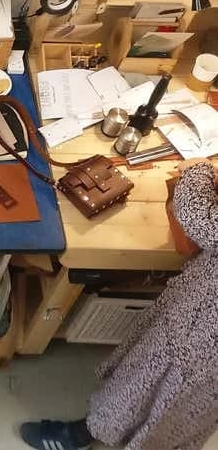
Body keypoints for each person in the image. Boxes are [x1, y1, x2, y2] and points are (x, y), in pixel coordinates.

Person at [20, 159, 218, 450]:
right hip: (200, 339)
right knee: (184, 408)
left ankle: (80, 436)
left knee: (145, 389)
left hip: (199, 342)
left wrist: (199, 170)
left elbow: (197, 215)